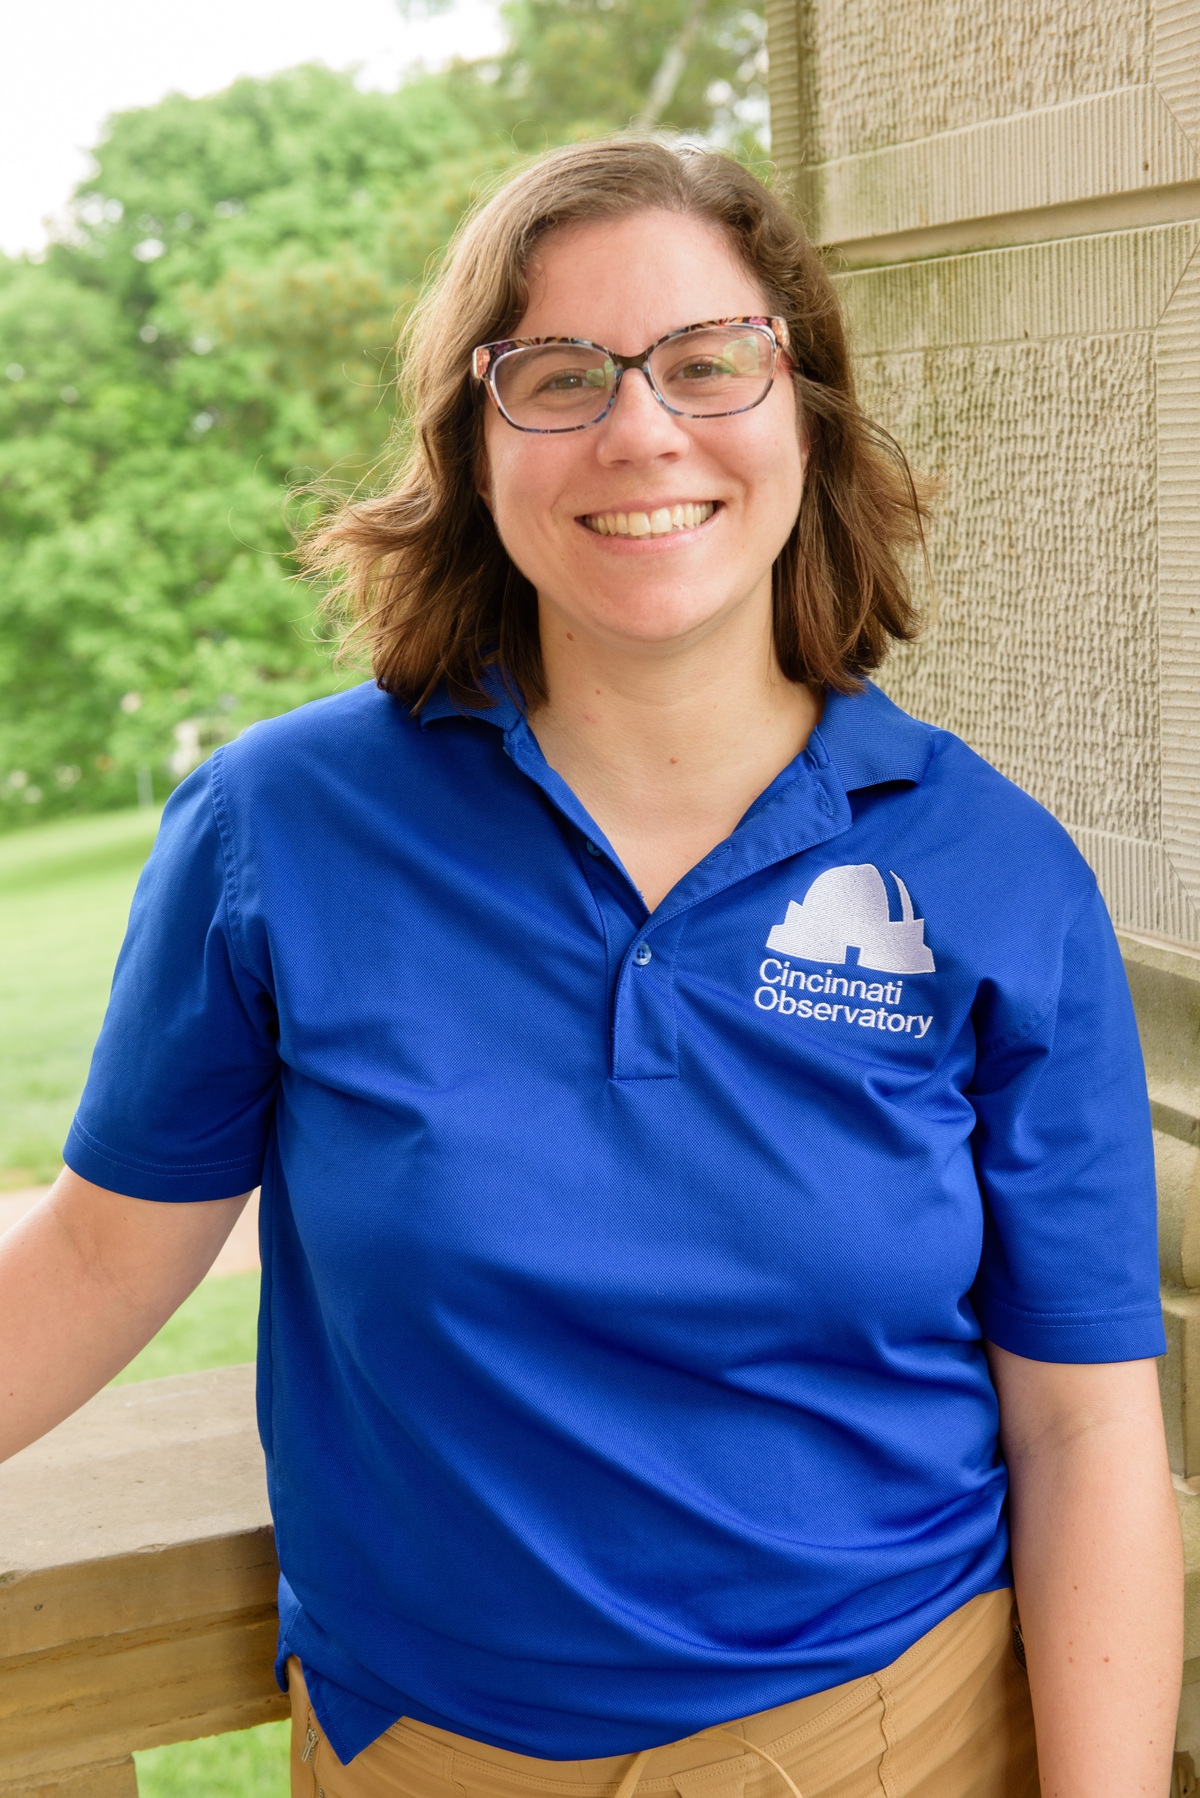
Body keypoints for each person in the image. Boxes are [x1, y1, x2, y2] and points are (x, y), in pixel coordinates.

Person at [0, 139, 1181, 1798]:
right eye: (557, 376)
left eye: (710, 362)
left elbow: (1084, 1421)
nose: (643, 429)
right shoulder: (283, 828)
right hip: (424, 1753)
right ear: (474, 449)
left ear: (805, 412)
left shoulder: (990, 868)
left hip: (888, 1738)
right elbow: (100, 1259)